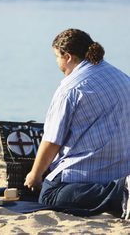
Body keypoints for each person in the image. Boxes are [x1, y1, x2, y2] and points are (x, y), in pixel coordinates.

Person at [24, 29, 130, 219]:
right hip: (122, 168)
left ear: (68, 56)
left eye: (57, 57)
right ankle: (119, 189)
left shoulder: (70, 88)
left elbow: (52, 140)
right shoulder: (121, 77)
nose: (57, 63)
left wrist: (35, 174)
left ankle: (119, 194)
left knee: (49, 195)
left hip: (85, 173)